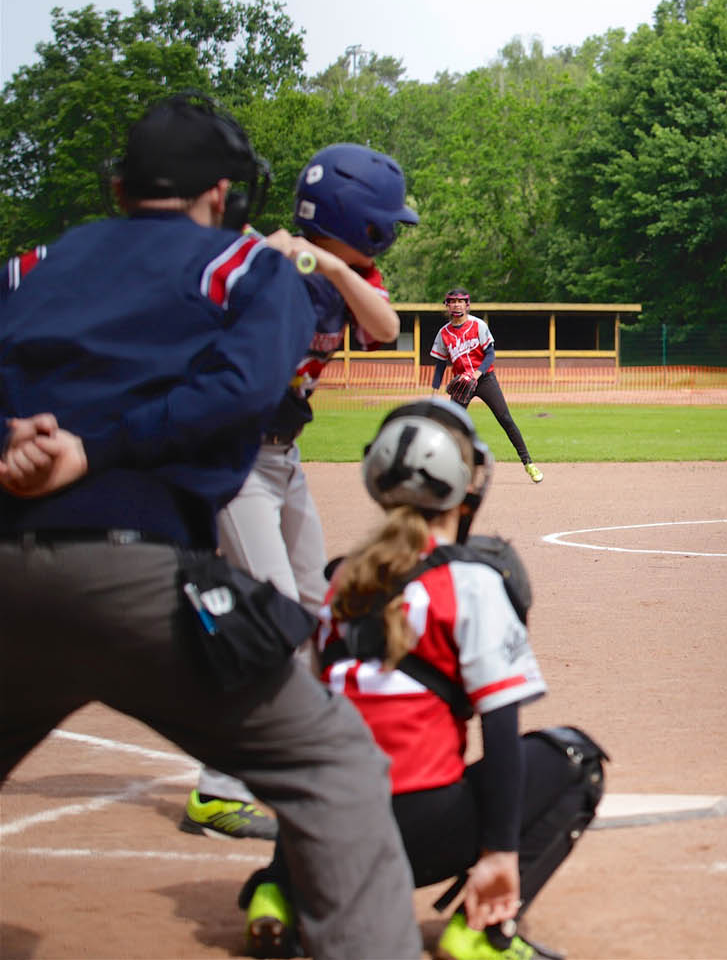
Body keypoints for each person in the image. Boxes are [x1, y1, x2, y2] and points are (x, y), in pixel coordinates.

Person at [0, 92, 421, 959]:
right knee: (331, 758)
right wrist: (97, 449)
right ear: (223, 193)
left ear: (119, 186)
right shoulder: (242, 267)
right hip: (133, 567)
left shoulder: (40, 263)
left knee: (301, 602)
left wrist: (12, 438)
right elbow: (239, 389)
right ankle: (229, 790)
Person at [237, 398, 605, 960]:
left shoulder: (340, 579)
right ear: (463, 485)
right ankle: (483, 931)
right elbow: (500, 735)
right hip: (414, 835)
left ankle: (279, 889)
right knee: (576, 760)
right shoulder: (471, 582)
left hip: (324, 835)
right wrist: (501, 854)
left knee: (334, 754)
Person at [183, 142, 417, 842]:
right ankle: (219, 789)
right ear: (357, 218)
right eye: (383, 222)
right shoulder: (262, 268)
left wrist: (330, 265)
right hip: (233, 462)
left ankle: (308, 753)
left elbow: (387, 328)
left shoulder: (347, 275)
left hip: (283, 461)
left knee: (321, 607)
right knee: (274, 618)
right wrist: (269, 257)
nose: (389, 232)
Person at [430, 287, 544, 484]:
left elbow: (490, 354)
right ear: (447, 305)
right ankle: (451, 469)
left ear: (467, 305)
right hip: (462, 384)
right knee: (453, 426)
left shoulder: (478, 325)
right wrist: (434, 391)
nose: (456, 305)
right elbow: (440, 364)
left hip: (484, 379)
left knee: (505, 418)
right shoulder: (443, 334)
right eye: (452, 301)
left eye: (460, 301)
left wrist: (477, 373)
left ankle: (528, 463)